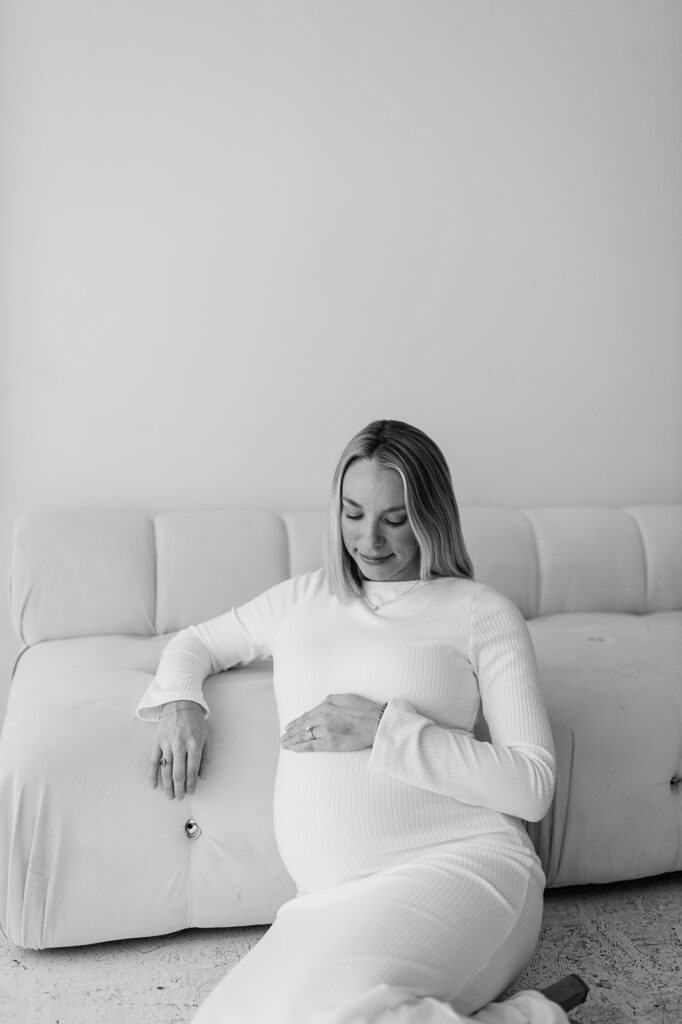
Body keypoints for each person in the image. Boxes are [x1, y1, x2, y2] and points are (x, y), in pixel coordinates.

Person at [137, 420, 572, 1023]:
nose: (369, 539)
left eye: (395, 518)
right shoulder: (303, 599)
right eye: (353, 513)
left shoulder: (479, 611)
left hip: (462, 864)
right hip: (322, 904)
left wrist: (387, 729)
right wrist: (182, 703)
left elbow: (533, 785)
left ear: (432, 517)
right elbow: (197, 643)